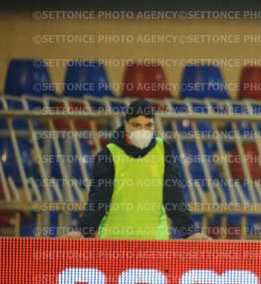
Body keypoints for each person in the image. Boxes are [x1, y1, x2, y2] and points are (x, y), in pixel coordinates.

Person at [63, 98, 211, 241]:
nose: (143, 130)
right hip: (115, 243)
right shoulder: (109, 155)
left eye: (148, 125)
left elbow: (173, 196)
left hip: (154, 244)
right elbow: (99, 199)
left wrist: (189, 232)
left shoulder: (163, 149)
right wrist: (83, 230)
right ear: (126, 125)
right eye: (137, 125)